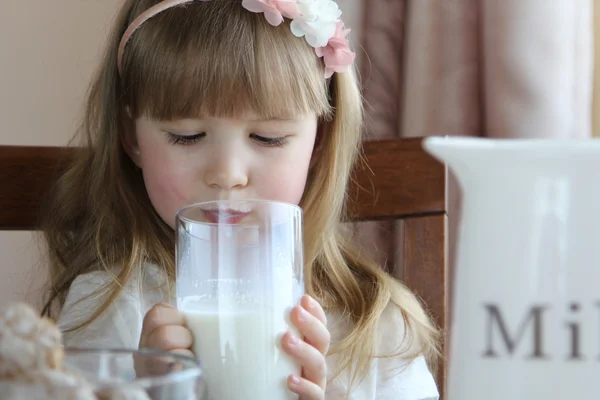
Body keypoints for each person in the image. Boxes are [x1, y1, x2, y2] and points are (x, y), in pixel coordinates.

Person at [41, 0, 441, 398]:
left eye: (268, 138)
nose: (227, 175)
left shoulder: (374, 327)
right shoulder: (107, 309)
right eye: (187, 136)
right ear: (132, 139)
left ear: (318, 140)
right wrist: (151, 390)